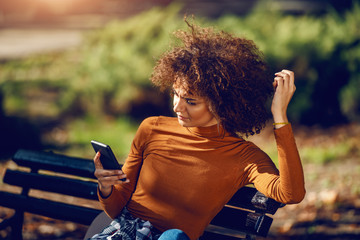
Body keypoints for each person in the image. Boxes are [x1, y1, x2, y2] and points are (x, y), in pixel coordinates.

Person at [89, 21, 306, 240]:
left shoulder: (245, 157)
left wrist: (280, 116)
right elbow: (117, 208)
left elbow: (291, 193)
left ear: (220, 103)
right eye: (176, 94)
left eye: (191, 101)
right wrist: (106, 188)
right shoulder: (151, 128)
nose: (177, 106)